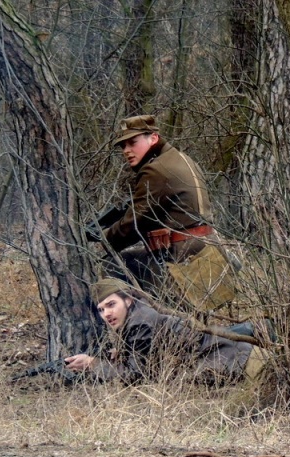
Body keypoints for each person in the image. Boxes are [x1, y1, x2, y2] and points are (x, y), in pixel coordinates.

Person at [97, 114, 221, 298]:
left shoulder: (155, 170)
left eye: (132, 142)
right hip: (209, 247)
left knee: (113, 264)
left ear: (153, 138)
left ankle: (134, 323)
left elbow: (134, 224)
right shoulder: (182, 158)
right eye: (123, 145)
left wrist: (103, 238)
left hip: (182, 254)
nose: (126, 150)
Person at [65, 278, 269, 385]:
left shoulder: (140, 324)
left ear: (128, 300)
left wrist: (93, 364)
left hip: (244, 363)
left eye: (111, 304)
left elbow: (135, 376)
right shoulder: (140, 315)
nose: (106, 314)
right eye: (101, 309)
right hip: (240, 357)